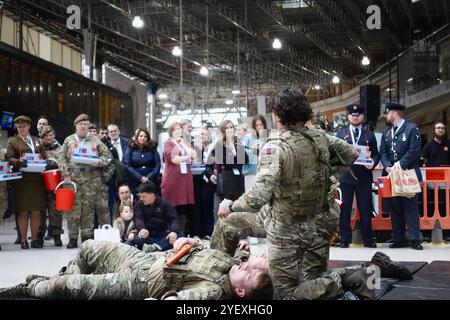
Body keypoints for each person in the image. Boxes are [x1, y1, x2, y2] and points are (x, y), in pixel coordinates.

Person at [217, 88, 358, 300]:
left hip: (285, 228)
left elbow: (257, 198)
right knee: (311, 280)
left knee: (283, 294)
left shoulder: (275, 146)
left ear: (276, 115)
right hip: (319, 224)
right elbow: (351, 153)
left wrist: (230, 206)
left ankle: (344, 279)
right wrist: (326, 173)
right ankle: (357, 275)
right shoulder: (319, 138)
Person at [0, 236, 274, 300]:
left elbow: (183, 300)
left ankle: (31, 286)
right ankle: (66, 274)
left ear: (239, 291)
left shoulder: (214, 291)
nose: (246, 265)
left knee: (66, 286)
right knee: (89, 247)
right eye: (251, 264)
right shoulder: (231, 263)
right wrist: (187, 241)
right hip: (145, 260)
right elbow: (200, 246)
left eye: (249, 272)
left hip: (137, 281)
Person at [56, 114, 110, 249]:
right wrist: (65, 174)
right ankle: (73, 238)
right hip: (72, 180)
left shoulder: (96, 141)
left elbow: (107, 156)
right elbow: (60, 157)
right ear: (76, 126)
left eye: (86, 125)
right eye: (81, 124)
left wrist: (99, 162)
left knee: (88, 210)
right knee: (72, 210)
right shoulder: (69, 141)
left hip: (90, 181)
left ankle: (87, 237)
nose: (83, 127)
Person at [380, 102, 423, 250]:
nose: (386, 116)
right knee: (395, 207)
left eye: (387, 113)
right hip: (391, 174)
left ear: (393, 113)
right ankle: (399, 239)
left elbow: (414, 150)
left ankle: (414, 239)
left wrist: (399, 165)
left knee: (410, 206)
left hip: (408, 172)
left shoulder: (412, 129)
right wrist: (387, 166)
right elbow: (383, 152)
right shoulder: (386, 132)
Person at [336, 104, 380, 248]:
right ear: (348, 117)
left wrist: (372, 162)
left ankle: (368, 239)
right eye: (352, 115)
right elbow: (335, 153)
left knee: (365, 208)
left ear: (362, 117)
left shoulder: (369, 135)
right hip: (346, 176)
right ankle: (344, 239)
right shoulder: (341, 134)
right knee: (345, 209)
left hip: (364, 176)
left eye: (358, 115)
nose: (355, 117)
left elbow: (376, 154)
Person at [7, 115, 48, 249]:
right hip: (22, 181)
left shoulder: (37, 141)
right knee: (23, 211)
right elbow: (9, 157)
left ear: (29, 126)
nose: (21, 129)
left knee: (36, 211)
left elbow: (44, 157)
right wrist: (17, 162)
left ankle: (34, 239)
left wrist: (45, 163)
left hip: (36, 180)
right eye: (19, 127)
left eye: (23, 126)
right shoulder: (12, 141)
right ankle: (24, 240)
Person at [161, 122, 196, 235]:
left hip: (185, 180)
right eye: (175, 129)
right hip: (173, 179)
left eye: (179, 128)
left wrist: (183, 144)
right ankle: (171, 232)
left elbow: (194, 155)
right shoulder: (168, 143)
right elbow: (174, 159)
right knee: (172, 207)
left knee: (184, 208)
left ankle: (181, 232)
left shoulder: (185, 142)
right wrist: (186, 157)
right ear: (171, 132)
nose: (178, 131)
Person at [205, 120, 248, 201]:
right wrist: (211, 175)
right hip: (226, 182)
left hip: (238, 181)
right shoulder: (219, 145)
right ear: (223, 131)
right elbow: (226, 163)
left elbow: (245, 160)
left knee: (239, 209)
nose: (230, 129)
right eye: (227, 128)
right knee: (226, 210)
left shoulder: (237, 143)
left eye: (231, 127)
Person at [133, 182, 181, 252]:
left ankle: (154, 247)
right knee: (138, 239)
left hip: (162, 234)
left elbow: (174, 219)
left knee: (178, 236)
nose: (141, 199)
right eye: (140, 196)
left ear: (152, 195)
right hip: (147, 234)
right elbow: (138, 218)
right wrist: (142, 228)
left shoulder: (165, 203)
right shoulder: (139, 204)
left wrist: (173, 231)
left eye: (143, 196)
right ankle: (160, 246)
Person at [40, 125, 64, 246]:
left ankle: (57, 235)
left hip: (55, 184)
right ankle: (39, 235)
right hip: (40, 184)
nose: (48, 137)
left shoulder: (60, 148)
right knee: (41, 211)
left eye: (50, 135)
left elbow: (64, 163)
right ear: (42, 137)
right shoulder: (38, 148)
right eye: (46, 136)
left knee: (56, 211)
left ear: (54, 135)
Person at [191, 127, 216, 238]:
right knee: (197, 206)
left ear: (209, 136)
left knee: (208, 206)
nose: (203, 136)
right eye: (200, 134)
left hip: (208, 179)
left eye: (205, 134)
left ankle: (209, 231)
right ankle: (198, 232)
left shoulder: (213, 148)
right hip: (196, 178)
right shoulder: (196, 147)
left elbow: (211, 163)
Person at [123, 128, 161, 195]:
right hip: (135, 181)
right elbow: (127, 165)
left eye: (145, 136)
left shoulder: (152, 148)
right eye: (141, 136)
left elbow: (157, 164)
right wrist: (140, 177)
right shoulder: (130, 148)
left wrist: (149, 177)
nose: (143, 138)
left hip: (150, 180)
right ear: (137, 137)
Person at [242, 115, 268, 191]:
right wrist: (252, 150)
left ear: (264, 125)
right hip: (251, 174)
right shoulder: (248, 138)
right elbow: (242, 157)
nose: (259, 127)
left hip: (264, 173)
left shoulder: (268, 138)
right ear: (253, 127)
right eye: (257, 125)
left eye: (261, 125)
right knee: (251, 199)